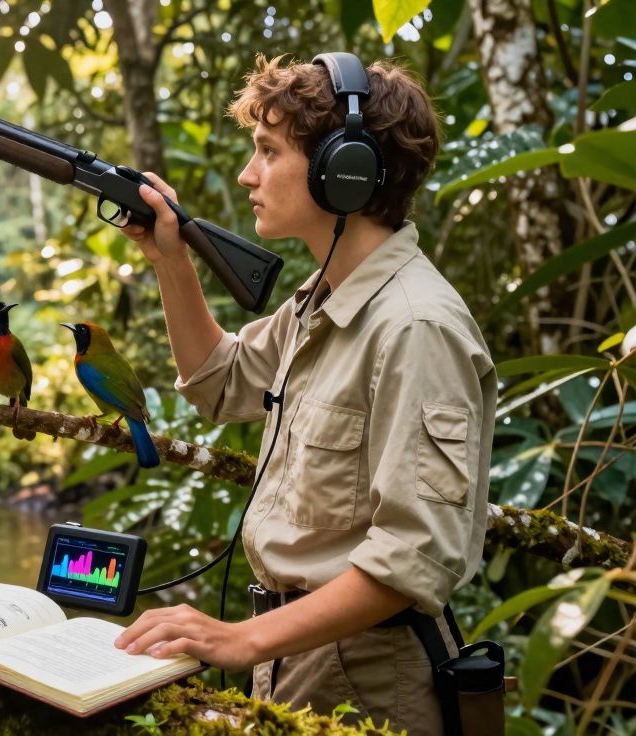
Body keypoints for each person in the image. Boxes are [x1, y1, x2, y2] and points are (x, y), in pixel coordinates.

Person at [111, 53, 495, 735]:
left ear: (343, 172)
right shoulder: (323, 303)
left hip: (372, 677)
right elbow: (219, 380)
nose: (247, 174)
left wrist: (241, 639)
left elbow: (415, 557)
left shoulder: (415, 327)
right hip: (298, 654)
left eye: (267, 151)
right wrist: (170, 258)